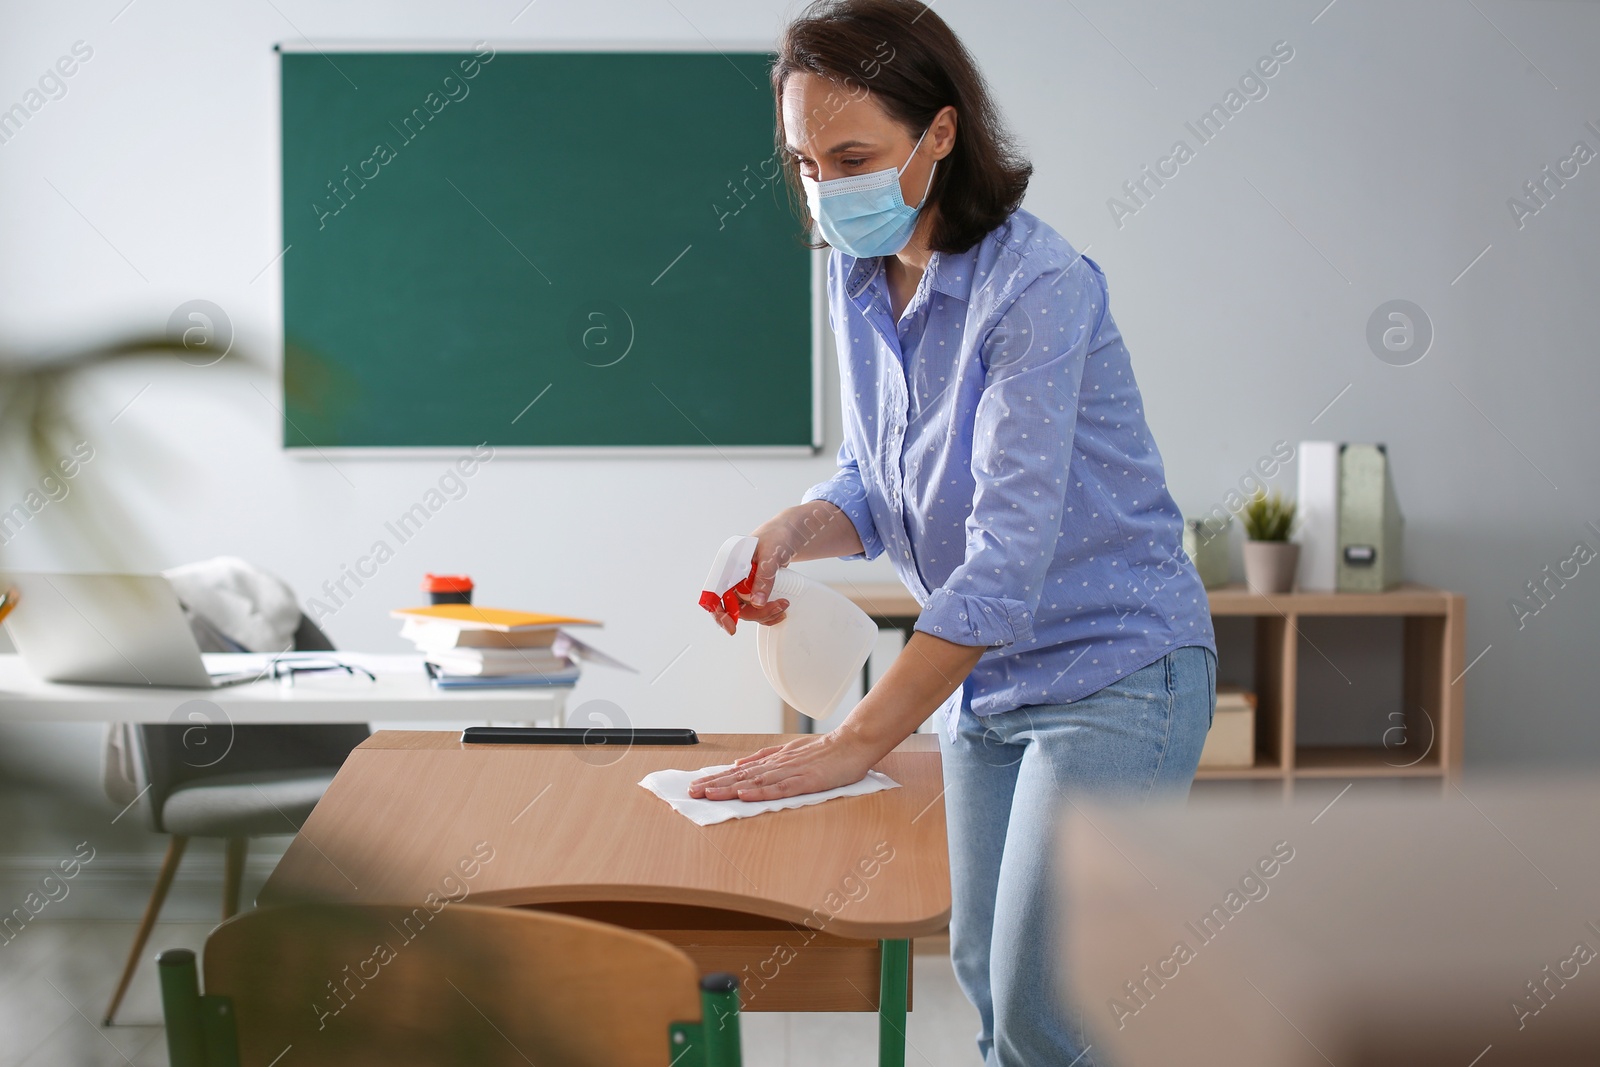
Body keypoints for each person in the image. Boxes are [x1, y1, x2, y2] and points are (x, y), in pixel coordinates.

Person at [689, 1, 1217, 1062]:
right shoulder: (856, 277)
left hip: (1115, 671)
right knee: (985, 980)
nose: (824, 188)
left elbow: (1004, 566)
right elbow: (878, 487)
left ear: (939, 134)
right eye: (802, 161)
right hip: (991, 683)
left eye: (851, 155)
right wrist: (791, 531)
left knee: (1042, 1002)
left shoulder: (1037, 287)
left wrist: (849, 744)